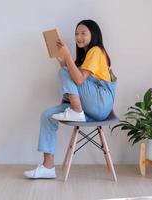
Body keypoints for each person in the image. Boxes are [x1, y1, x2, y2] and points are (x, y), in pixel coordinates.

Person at [24, 19, 117, 179]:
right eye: (76, 34)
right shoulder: (86, 56)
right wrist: (63, 62)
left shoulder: (96, 50)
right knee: (47, 115)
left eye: (83, 33)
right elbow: (73, 80)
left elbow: (79, 80)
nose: (78, 37)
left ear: (93, 34)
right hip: (88, 106)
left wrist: (67, 58)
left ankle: (76, 110)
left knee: (66, 72)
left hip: (100, 104)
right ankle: (47, 167)